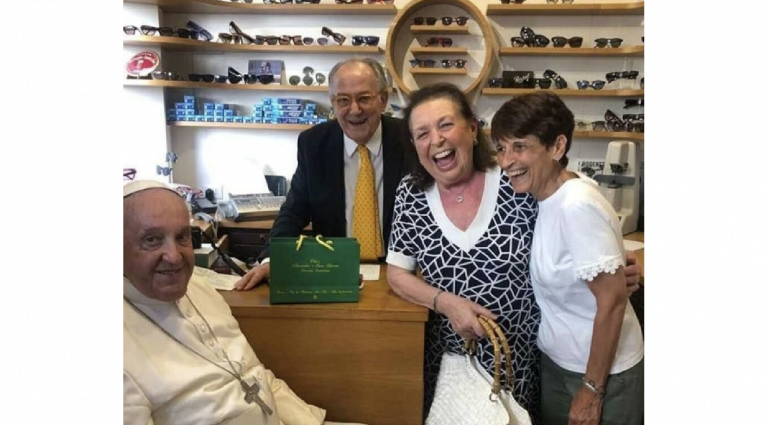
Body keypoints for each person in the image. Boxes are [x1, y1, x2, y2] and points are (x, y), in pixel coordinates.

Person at [385, 83, 641, 422]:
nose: (436, 139)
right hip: (451, 360)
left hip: (525, 360)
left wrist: (613, 261)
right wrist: (446, 303)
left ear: (472, 129)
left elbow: (573, 202)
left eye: (446, 125)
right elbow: (397, 273)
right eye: (422, 133)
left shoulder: (515, 177)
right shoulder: (412, 192)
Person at [123, 180, 366, 425]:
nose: (174, 257)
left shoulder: (200, 288)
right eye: (152, 240)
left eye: (182, 237)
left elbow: (256, 376)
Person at [490, 91, 645, 425]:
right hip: (563, 365)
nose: (506, 161)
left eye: (520, 146)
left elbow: (613, 302)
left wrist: (591, 391)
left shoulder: (576, 204)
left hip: (600, 375)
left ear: (557, 147)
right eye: (501, 148)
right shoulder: (551, 194)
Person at [234, 58, 409, 290]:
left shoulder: (411, 140)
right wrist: (272, 259)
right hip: (333, 273)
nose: (354, 110)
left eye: (364, 98)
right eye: (343, 100)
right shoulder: (313, 144)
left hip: (401, 274)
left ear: (383, 99)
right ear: (333, 103)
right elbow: (294, 211)